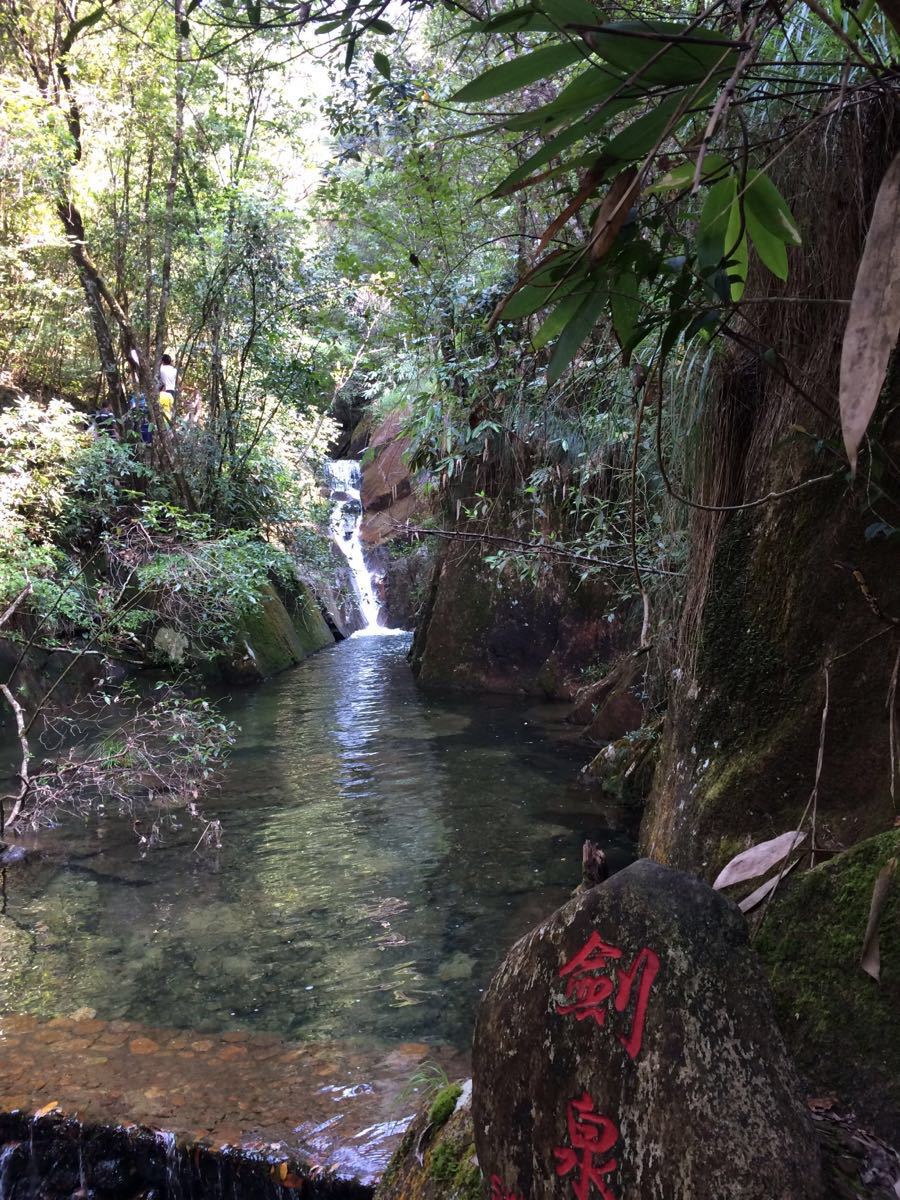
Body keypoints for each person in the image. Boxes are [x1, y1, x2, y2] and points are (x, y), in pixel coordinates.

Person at [158, 353, 177, 419]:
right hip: (172, 390)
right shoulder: (174, 370)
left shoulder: (161, 369)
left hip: (163, 390)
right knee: (169, 409)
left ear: (162, 361)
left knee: (161, 408)